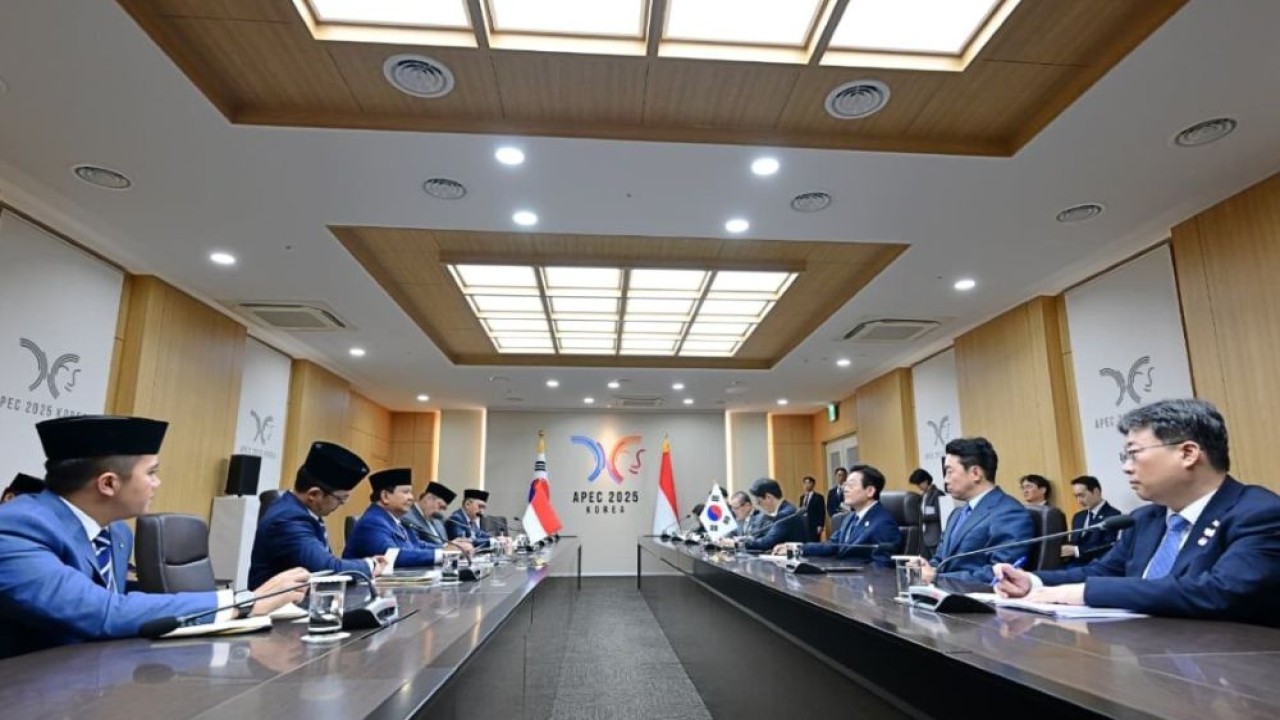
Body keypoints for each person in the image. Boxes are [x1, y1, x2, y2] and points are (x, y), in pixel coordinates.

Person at [0, 415, 307, 659]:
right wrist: (245, 602)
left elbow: (119, 606)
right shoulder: (15, 529)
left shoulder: (116, 532)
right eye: (151, 473)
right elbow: (100, 611)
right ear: (108, 484)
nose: (157, 483)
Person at [995, 399, 1280, 625]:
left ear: (1188, 453)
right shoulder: (1147, 518)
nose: (1126, 467)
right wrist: (1032, 581)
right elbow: (1102, 571)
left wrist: (1082, 593)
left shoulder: (1258, 513)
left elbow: (1220, 592)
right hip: (1147, 658)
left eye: (1134, 453)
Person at [249, 441, 385, 587]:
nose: (342, 504)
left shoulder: (301, 511)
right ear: (314, 494)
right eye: (340, 499)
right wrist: (369, 565)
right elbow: (327, 569)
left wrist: (364, 563)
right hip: (279, 607)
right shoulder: (287, 520)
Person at [918, 437, 1034, 585]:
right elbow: (940, 560)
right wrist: (926, 568)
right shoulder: (957, 514)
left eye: (949, 472)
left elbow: (998, 574)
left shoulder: (1010, 514)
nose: (945, 481)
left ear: (975, 473)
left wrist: (937, 578)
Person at [779, 464, 900, 567]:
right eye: (845, 485)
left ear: (870, 491)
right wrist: (798, 548)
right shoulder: (849, 518)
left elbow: (882, 568)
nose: (845, 490)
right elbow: (832, 545)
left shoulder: (883, 523)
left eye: (851, 485)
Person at [345, 468, 456, 567]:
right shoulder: (372, 522)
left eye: (411, 492)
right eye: (406, 492)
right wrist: (443, 554)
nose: (411, 498)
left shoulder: (396, 520)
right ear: (385, 496)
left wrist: (448, 547)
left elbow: (417, 545)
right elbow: (393, 555)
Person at [721, 478, 804, 551]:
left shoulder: (785, 514)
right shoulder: (786, 509)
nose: (758, 505)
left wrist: (737, 544)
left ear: (768, 497)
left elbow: (766, 542)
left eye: (759, 501)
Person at [1060, 475, 1122, 566]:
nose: (1079, 501)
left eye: (1081, 495)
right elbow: (1074, 542)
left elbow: (1108, 546)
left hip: (1097, 565)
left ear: (1096, 492)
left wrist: (1076, 551)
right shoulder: (1078, 517)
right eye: (1076, 496)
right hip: (1073, 564)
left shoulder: (1113, 515)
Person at [402, 481, 469, 553]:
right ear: (428, 499)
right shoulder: (407, 517)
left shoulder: (438, 521)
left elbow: (443, 544)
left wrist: (454, 546)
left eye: (443, 509)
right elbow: (416, 547)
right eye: (440, 507)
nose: (440, 512)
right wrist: (447, 547)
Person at [911, 468, 943, 558]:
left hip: (935, 537)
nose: (918, 486)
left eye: (919, 483)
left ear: (925, 481)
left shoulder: (937, 494)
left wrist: (921, 517)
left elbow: (940, 515)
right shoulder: (922, 496)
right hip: (925, 538)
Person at [798, 475, 825, 541]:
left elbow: (821, 512)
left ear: (813, 484)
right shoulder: (802, 497)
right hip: (804, 524)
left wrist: (820, 525)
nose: (806, 485)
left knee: (814, 542)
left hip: (814, 525)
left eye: (809, 483)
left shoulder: (819, 497)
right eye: (805, 483)